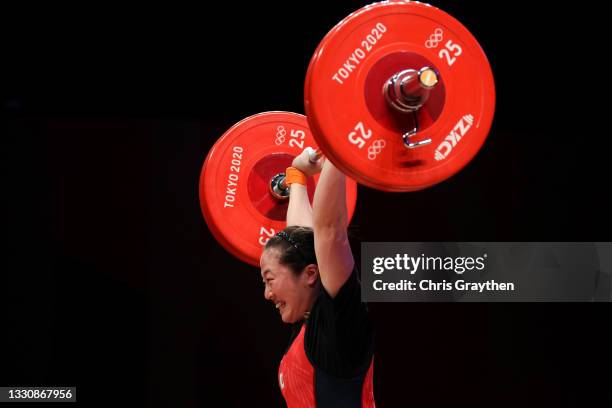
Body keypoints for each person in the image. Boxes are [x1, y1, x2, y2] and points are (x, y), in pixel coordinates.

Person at [260, 147, 375, 407]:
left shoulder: (340, 328)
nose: (267, 294)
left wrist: (336, 148)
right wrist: (298, 176)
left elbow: (329, 231)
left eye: (270, 280)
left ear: (310, 274)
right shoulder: (311, 327)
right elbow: (307, 241)